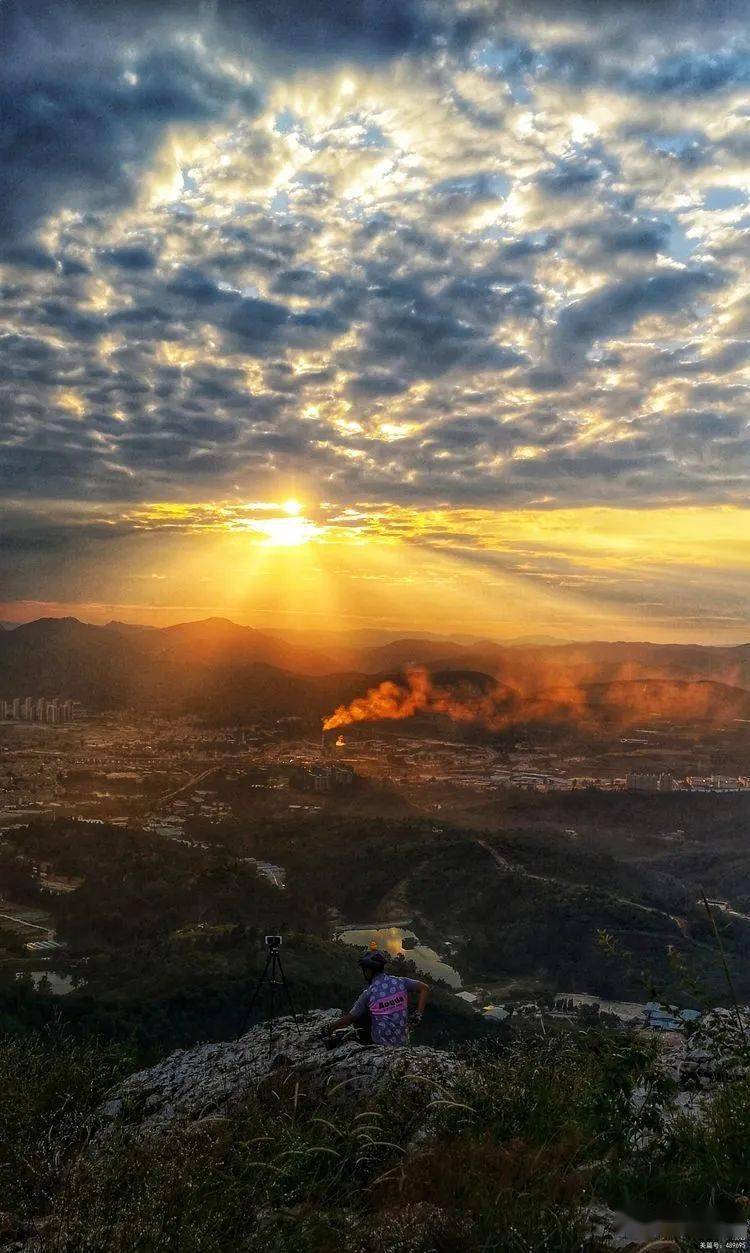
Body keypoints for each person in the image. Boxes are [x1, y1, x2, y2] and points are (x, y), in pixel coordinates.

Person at [327, 948, 430, 1047]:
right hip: (402, 1042)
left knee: (360, 1013)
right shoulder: (401, 982)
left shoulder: (368, 993)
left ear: (368, 970)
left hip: (380, 1044)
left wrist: (331, 1027)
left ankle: (362, 1042)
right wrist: (418, 1014)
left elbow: (350, 1018)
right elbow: (424, 988)